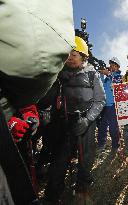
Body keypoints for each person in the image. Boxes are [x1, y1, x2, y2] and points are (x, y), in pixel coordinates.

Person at [0, 0, 75, 204]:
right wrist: (24, 111)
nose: (70, 58)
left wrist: (24, 110)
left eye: (75, 55)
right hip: (42, 122)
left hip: (62, 123)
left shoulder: (81, 76)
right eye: (71, 55)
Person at [43, 36, 106, 204]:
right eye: (68, 53)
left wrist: (87, 120)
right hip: (64, 122)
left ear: (84, 57)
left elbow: (100, 100)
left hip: (85, 122)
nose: (70, 56)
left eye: (75, 54)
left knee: (86, 157)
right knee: (60, 158)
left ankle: (82, 188)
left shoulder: (92, 73)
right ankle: (53, 193)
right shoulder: (58, 73)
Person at [97, 57, 122, 154]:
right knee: (102, 126)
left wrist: (109, 74)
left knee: (113, 127)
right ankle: (101, 144)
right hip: (104, 105)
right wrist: (102, 75)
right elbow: (100, 85)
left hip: (113, 105)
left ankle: (115, 145)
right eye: (111, 64)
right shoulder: (107, 77)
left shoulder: (119, 76)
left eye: (114, 65)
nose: (111, 66)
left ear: (117, 67)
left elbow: (118, 84)